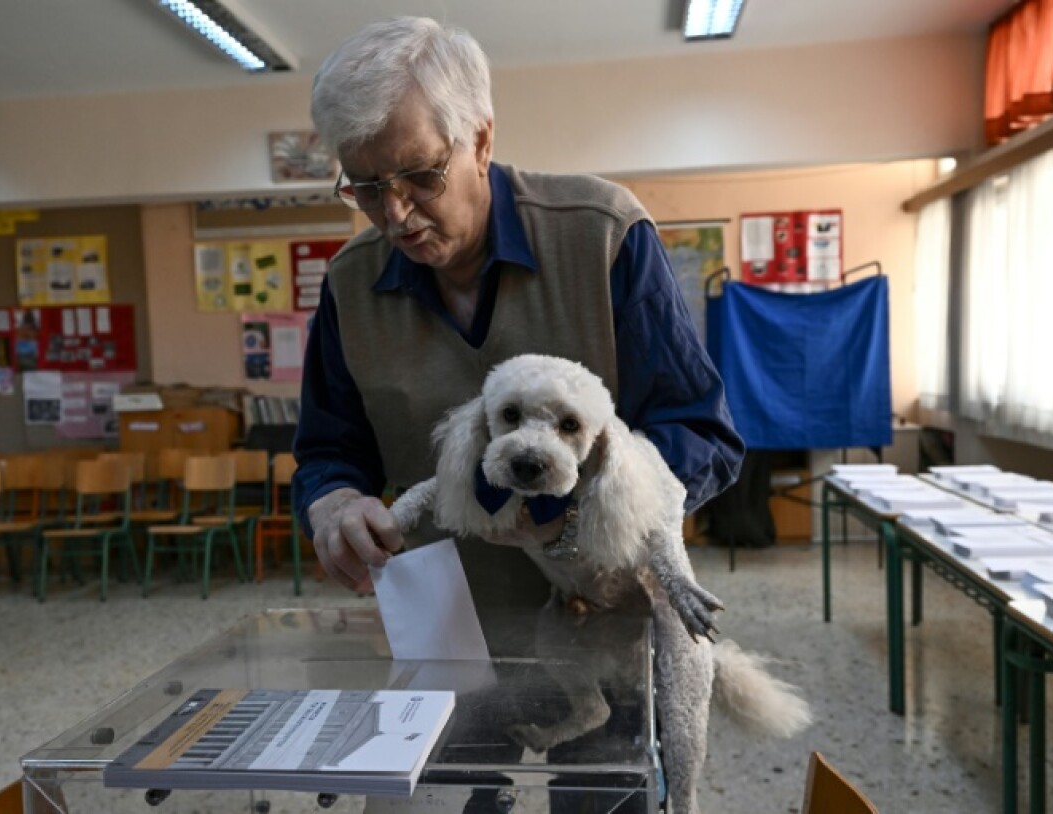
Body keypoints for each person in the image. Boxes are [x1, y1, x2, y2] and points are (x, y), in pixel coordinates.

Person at [293, 14, 742, 617]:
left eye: (421, 176)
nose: (396, 214)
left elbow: (700, 433)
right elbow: (329, 449)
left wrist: (572, 515)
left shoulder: (602, 235)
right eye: (367, 187)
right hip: (444, 619)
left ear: (480, 141)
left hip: (609, 606)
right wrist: (334, 502)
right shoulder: (351, 283)